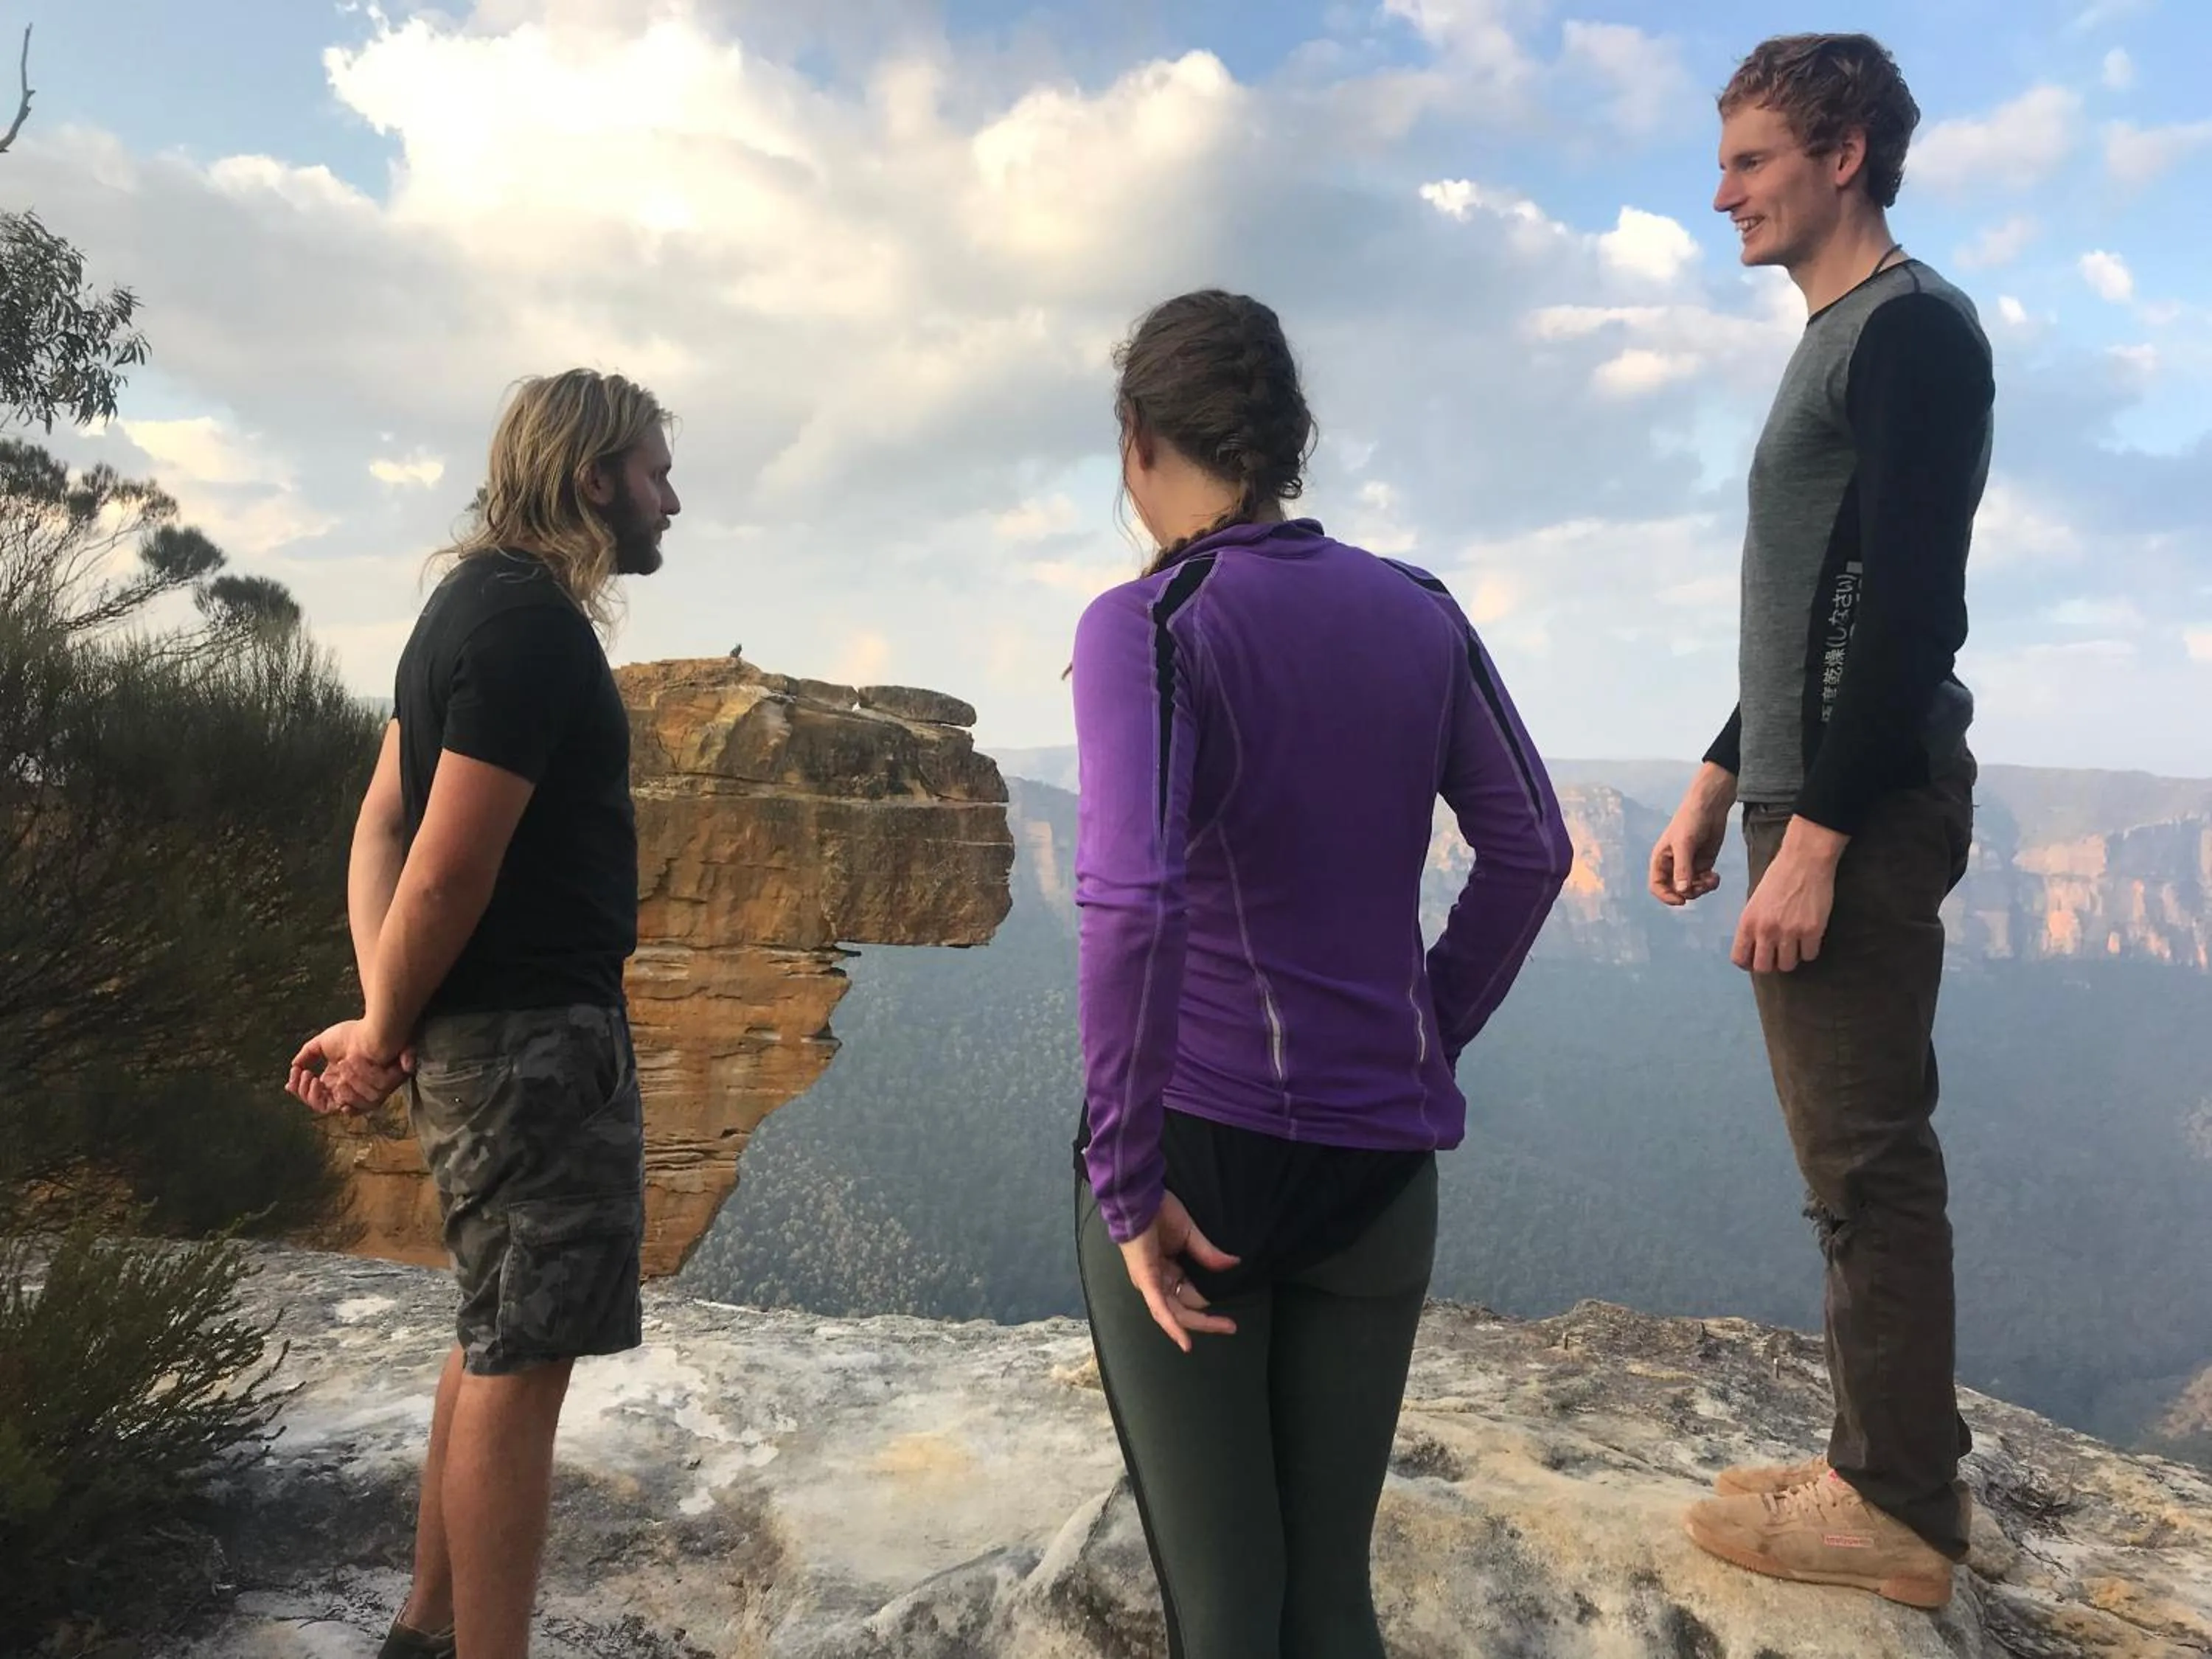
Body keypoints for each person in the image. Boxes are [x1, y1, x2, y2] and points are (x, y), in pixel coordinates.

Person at [1071, 289, 1572, 1659]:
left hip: (1203, 1165)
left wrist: (1124, 1183)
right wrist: (1426, 1033)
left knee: (1228, 1610)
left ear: (1137, 442)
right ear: (1289, 443)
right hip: (1379, 1171)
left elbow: (1127, 899)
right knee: (1331, 1593)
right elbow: (1531, 849)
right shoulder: (1419, 610)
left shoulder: (1150, 625)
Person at [1649, 34, 1993, 1610]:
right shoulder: (1847, 335)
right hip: (1806, 786)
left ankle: (1898, 1513)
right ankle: (1883, 1462)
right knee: (1848, 1150)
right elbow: (1822, 608)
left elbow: (1912, 609)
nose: (1723, 194)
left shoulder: (1912, 331)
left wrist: (1819, 836)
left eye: (1751, 161)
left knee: (1863, 1160)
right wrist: (1728, 777)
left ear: (1842, 153)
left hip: (1858, 805)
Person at [286, 369, 681, 1659]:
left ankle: (427, 1623)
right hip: (533, 1051)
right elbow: (445, 861)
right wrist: (385, 1021)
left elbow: (381, 825)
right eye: (654, 471)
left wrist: (383, 1015)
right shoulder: (531, 629)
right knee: (522, 1370)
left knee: (491, 1327)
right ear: (592, 480)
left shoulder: (462, 611)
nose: (671, 497)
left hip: (489, 1040)